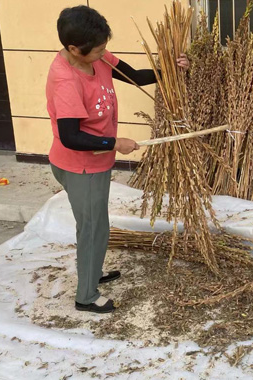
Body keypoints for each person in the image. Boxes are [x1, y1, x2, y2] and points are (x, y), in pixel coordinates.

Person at [46, 6, 189, 314]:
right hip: (79, 165)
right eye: (98, 51)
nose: (103, 55)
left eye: (103, 48)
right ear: (74, 49)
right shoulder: (65, 80)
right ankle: (85, 296)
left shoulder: (96, 56)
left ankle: (93, 272)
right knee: (92, 228)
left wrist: (170, 71)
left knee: (98, 223)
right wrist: (115, 143)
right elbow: (71, 136)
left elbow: (134, 75)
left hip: (94, 163)